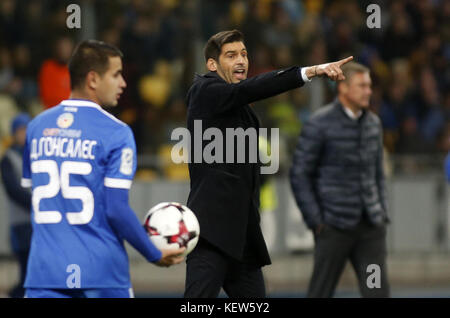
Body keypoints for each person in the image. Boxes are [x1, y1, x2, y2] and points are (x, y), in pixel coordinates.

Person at [184, 29, 353, 298]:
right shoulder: (204, 90)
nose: (241, 60)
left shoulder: (241, 108)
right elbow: (253, 87)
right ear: (212, 65)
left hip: (243, 237)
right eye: (231, 56)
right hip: (212, 234)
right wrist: (310, 71)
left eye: (244, 54)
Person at [21, 40, 184, 298]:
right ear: (93, 79)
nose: (123, 83)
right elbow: (116, 209)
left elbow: (32, 194)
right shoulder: (116, 133)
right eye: (116, 75)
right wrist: (153, 253)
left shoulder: (36, 128)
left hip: (45, 274)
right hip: (100, 273)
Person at [289, 62, 390, 298]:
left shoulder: (374, 124)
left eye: (369, 86)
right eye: (362, 86)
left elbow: (377, 174)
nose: (368, 91)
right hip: (333, 226)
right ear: (343, 88)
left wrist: (381, 211)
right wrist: (316, 220)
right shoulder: (319, 123)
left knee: (378, 293)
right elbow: (300, 173)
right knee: (320, 292)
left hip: (370, 227)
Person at [1, 113, 32, 298]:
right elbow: (13, 190)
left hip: (41, 222)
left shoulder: (35, 154)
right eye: (21, 130)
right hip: (22, 223)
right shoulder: (8, 159)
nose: (25, 134)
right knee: (26, 271)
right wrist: (37, 203)